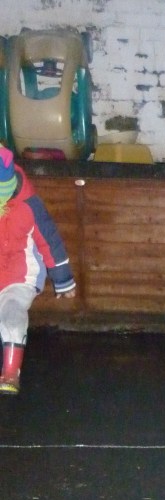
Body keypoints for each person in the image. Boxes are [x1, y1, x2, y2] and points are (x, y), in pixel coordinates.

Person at [0, 146, 76, 395]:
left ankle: (11, 372)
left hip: (21, 274)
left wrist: (63, 279)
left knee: (12, 312)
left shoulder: (29, 205)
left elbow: (49, 241)